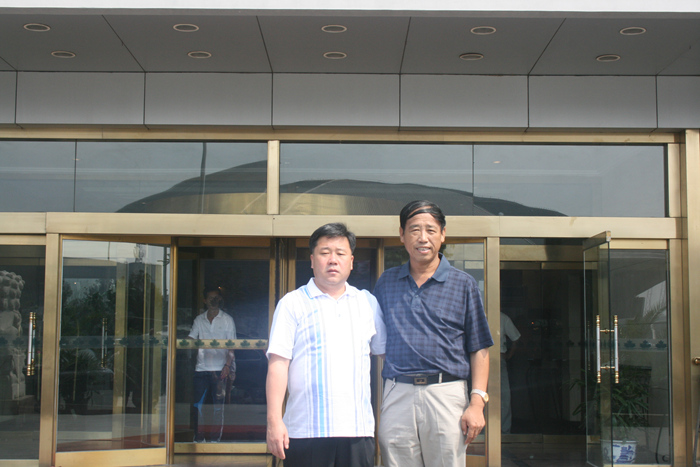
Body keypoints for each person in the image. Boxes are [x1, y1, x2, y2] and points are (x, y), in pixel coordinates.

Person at [374, 200, 494, 467]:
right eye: (414, 229)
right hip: (398, 391)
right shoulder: (386, 282)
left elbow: (479, 347)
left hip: (446, 392)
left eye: (430, 229)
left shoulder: (463, 284)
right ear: (402, 235)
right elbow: (376, 338)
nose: (423, 238)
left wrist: (477, 403)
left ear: (443, 234)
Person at [266, 223, 386, 467]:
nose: (333, 260)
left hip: (357, 430)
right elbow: (278, 364)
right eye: (325, 253)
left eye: (340, 253)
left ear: (351, 261)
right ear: (312, 260)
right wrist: (274, 421)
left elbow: (385, 355)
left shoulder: (367, 302)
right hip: (305, 431)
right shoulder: (292, 303)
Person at [188, 286, 237, 443]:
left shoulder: (227, 320)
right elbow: (191, 339)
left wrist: (227, 366)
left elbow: (232, 346)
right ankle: (199, 438)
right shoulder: (199, 320)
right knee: (198, 406)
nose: (214, 301)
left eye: (217, 298)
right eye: (211, 298)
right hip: (201, 368)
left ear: (220, 300)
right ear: (204, 300)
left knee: (218, 408)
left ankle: (215, 441)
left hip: (220, 369)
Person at [500, 312, 521, 434]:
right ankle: (482, 432)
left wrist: (508, 355)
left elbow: (516, 338)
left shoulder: (503, 318)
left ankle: (504, 431)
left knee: (503, 396)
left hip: (498, 359)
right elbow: (516, 338)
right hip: (480, 359)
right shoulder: (503, 318)